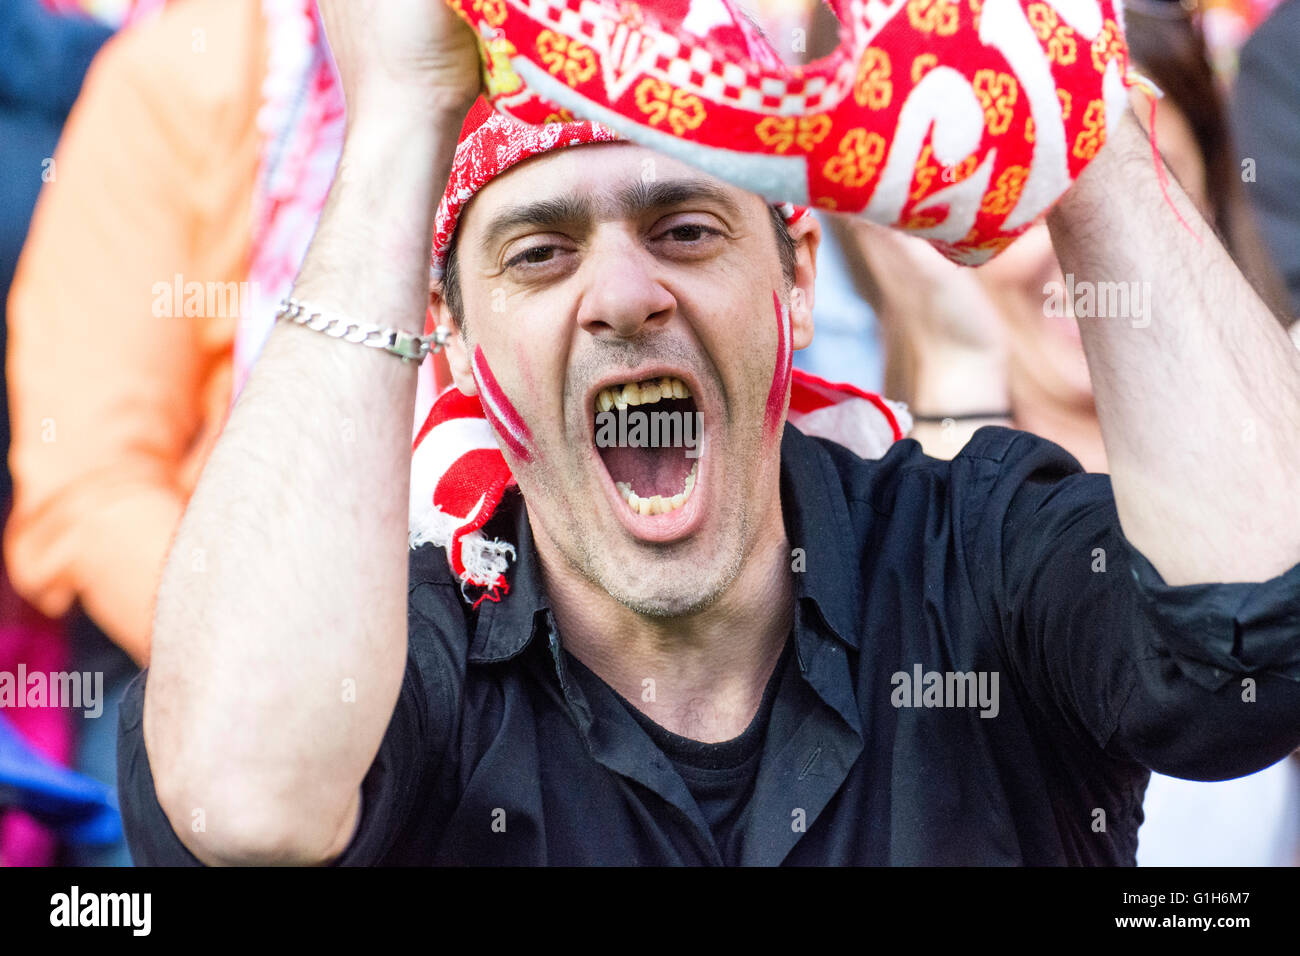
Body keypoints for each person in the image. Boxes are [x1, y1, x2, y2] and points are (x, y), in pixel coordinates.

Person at [118, 0, 1300, 866]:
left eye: (683, 228)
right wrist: (397, 130)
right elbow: (243, 799)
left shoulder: (971, 555)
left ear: (794, 278)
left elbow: (1256, 642)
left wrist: (1068, 115)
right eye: (540, 251)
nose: (625, 296)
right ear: (458, 339)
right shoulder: (413, 661)